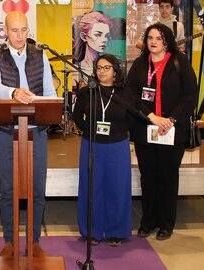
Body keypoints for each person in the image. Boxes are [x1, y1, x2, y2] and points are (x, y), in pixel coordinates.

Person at [0, 11, 57, 257]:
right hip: (5, 132)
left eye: (24, 30)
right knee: (8, 189)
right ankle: (9, 242)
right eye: (14, 30)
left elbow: (48, 91)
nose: (20, 36)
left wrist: (46, 102)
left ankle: (34, 241)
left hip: (36, 131)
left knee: (37, 189)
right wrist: (13, 92)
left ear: (28, 30)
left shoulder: (40, 55)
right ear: (5, 30)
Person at [126, 23, 198, 240]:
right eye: (150, 37)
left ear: (167, 41)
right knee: (148, 177)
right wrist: (152, 117)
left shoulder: (179, 62)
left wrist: (171, 120)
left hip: (172, 130)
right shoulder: (140, 64)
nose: (153, 41)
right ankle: (148, 222)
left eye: (158, 38)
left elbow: (190, 95)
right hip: (145, 129)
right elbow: (130, 96)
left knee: (167, 177)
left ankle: (166, 224)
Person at [72, 54, 133, 247]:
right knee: (91, 188)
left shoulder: (125, 92)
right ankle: (92, 231)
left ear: (115, 71)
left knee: (117, 188)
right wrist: (87, 130)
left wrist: (120, 131)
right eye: (99, 68)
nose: (101, 71)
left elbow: (133, 117)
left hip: (117, 146)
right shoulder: (87, 91)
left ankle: (116, 231)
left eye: (106, 68)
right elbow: (76, 116)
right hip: (92, 145)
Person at [73, 11, 113, 90]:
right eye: (98, 35)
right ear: (84, 37)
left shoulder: (108, 67)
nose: (104, 40)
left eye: (106, 35)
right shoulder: (74, 69)